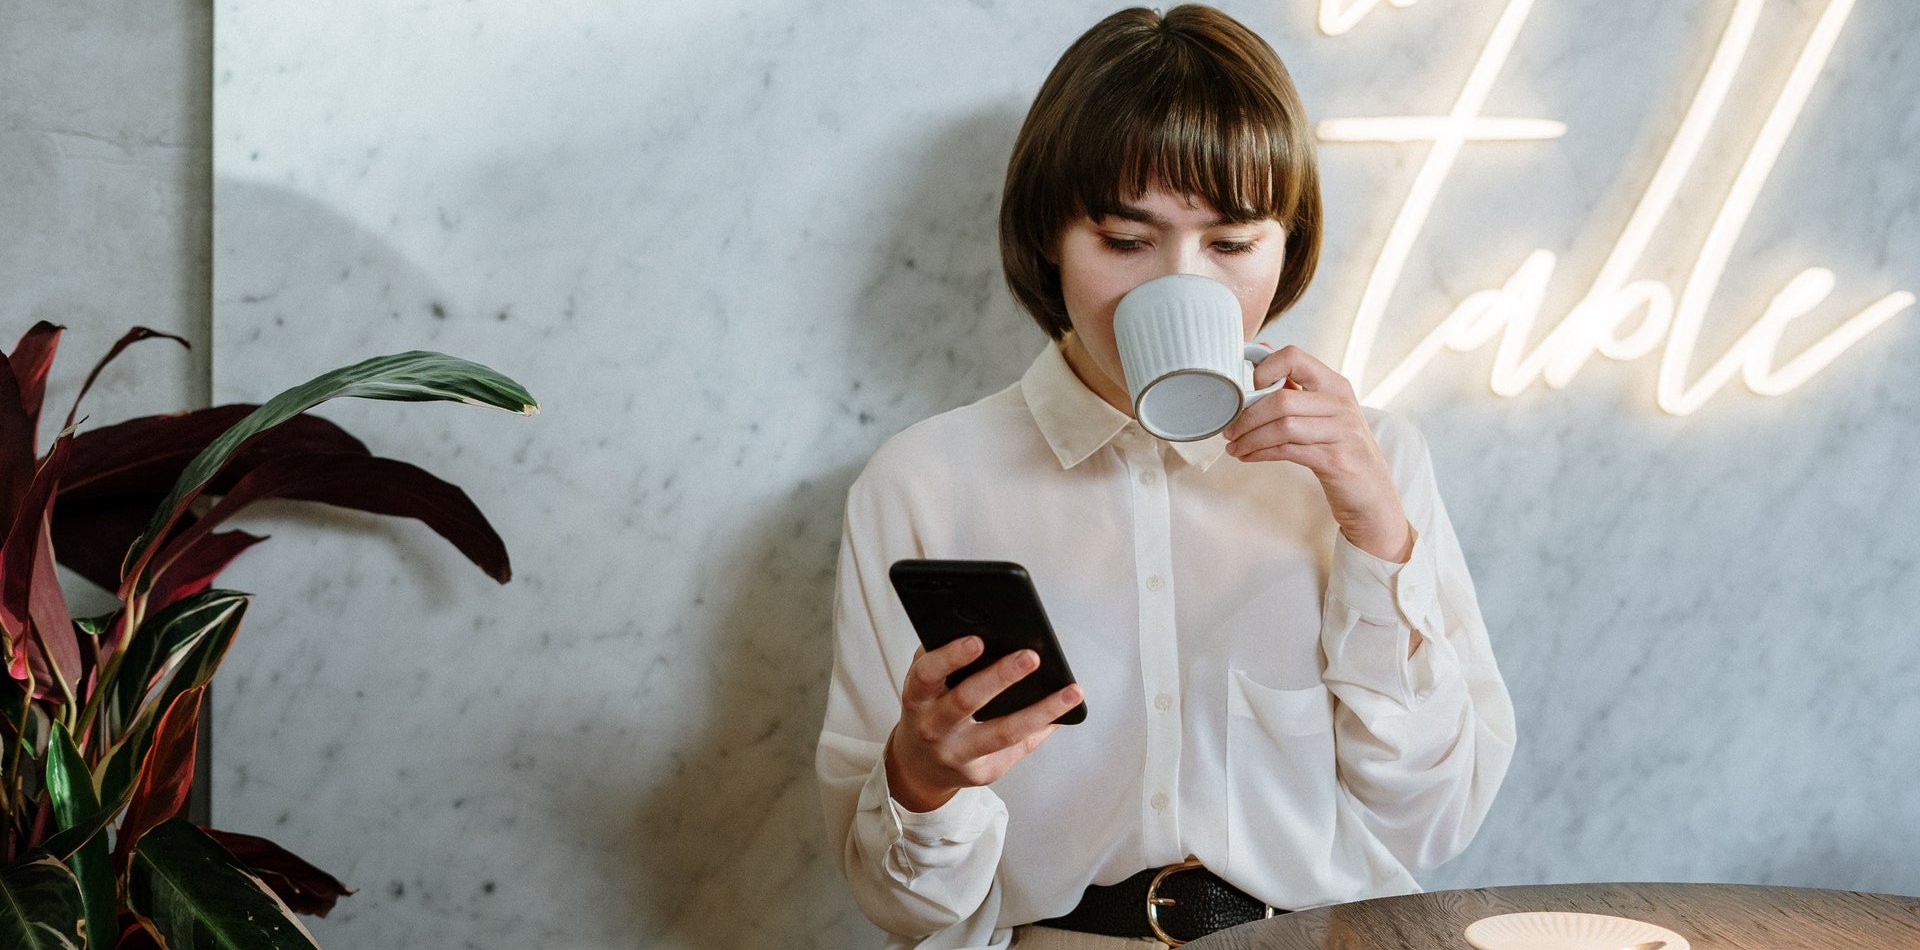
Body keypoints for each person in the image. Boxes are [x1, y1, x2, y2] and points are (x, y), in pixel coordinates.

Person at [817, 6, 1515, 948]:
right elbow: (905, 908)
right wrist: (924, 779)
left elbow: (1430, 821)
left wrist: (1378, 539)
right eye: (1123, 240)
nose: (1177, 287)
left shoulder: (1369, 459)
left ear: (1287, 244)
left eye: (1231, 246)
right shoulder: (926, 483)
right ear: (1048, 240)